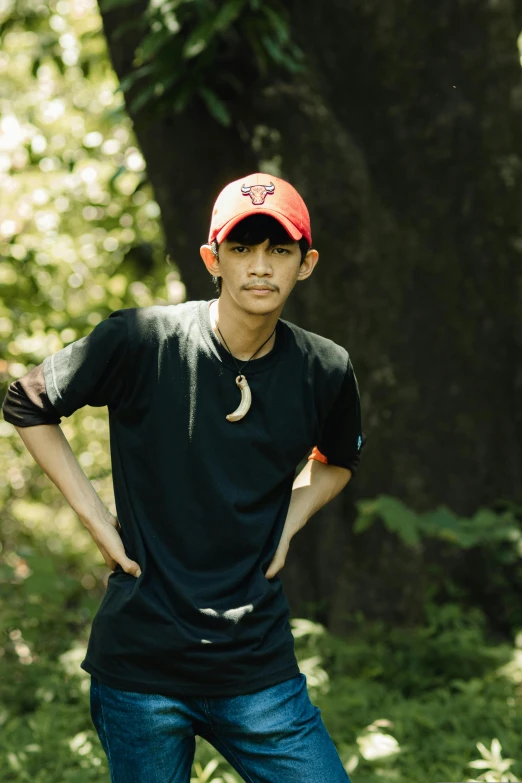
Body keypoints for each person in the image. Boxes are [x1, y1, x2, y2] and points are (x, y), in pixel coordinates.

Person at [2, 172, 367, 782]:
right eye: (242, 248)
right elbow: (27, 402)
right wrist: (98, 521)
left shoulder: (324, 369)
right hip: (142, 671)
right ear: (212, 259)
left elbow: (338, 461)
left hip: (258, 673)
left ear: (306, 264)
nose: (260, 266)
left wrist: (289, 521)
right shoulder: (142, 340)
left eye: (279, 250)